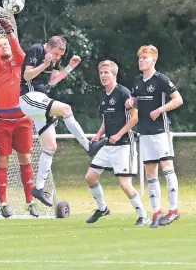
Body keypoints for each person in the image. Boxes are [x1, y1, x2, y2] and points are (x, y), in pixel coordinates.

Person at [19, 36, 107, 207]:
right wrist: (44, 64)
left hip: (41, 101)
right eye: (56, 54)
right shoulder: (37, 49)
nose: (58, 57)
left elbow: (52, 81)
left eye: (61, 55)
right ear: (48, 47)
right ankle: (88, 147)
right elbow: (27, 75)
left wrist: (70, 67)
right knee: (66, 109)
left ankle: (38, 188)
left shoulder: (54, 59)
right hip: (29, 98)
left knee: (51, 146)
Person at [125, 45, 184, 228]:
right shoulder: (137, 82)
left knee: (167, 168)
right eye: (140, 58)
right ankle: (157, 212)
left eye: (145, 58)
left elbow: (178, 100)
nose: (141, 60)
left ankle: (173, 211)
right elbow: (136, 101)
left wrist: (160, 109)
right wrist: (131, 101)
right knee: (150, 173)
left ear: (153, 60)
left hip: (160, 131)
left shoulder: (161, 80)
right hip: (145, 131)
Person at [84, 60, 149, 225]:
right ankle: (102, 208)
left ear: (114, 75)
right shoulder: (102, 95)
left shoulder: (123, 93)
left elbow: (135, 117)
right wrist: (99, 134)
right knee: (90, 177)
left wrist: (119, 135)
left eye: (107, 73)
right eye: (101, 73)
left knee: (124, 184)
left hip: (125, 144)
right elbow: (106, 119)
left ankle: (143, 215)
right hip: (109, 145)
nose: (103, 76)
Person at [0, 17, 37, 218]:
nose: (4, 46)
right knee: (2, 160)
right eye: (0, 46)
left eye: (5, 44)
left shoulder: (21, 64)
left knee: (25, 158)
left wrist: (9, 32)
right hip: (3, 122)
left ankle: (30, 202)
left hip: (23, 119)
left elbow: (18, 50)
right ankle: (3, 203)